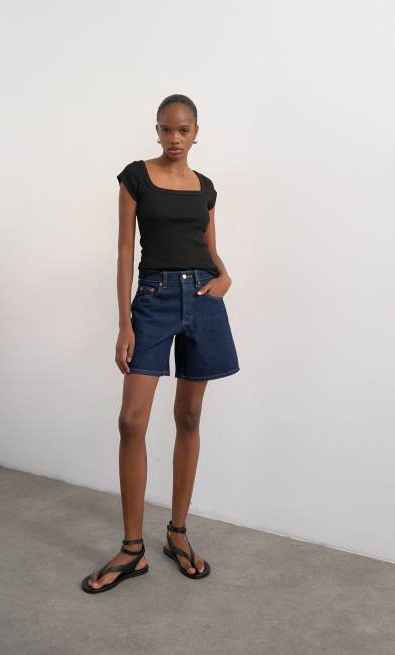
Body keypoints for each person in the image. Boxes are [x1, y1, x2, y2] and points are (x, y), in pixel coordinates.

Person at [81, 94, 240, 594]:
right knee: (132, 421)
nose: (175, 138)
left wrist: (225, 277)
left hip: (203, 298)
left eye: (183, 130)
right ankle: (133, 550)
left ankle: (177, 534)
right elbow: (124, 250)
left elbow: (210, 249)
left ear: (196, 133)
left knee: (189, 416)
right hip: (153, 299)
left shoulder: (206, 187)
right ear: (156, 130)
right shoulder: (136, 177)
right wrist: (124, 322)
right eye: (167, 130)